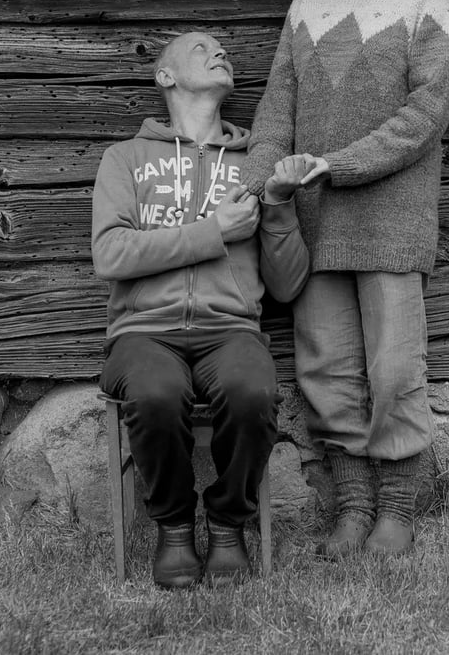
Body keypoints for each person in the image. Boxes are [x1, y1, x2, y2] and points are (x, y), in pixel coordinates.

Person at [241, 0, 449, 558]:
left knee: (394, 370)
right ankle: (354, 508)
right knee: (327, 372)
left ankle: (397, 508)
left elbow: (427, 114)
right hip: (314, 222)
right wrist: (256, 182)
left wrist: (339, 163)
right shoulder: (306, 2)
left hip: (392, 219)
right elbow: (277, 108)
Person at [92, 31, 310, 588]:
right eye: (200, 49)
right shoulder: (126, 159)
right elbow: (111, 254)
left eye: (223, 50)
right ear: (165, 76)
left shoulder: (253, 166)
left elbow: (287, 286)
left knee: (251, 391)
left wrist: (279, 207)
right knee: (155, 393)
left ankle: (228, 525)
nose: (220, 53)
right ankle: (173, 527)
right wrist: (213, 232)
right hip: (144, 331)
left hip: (230, 330)